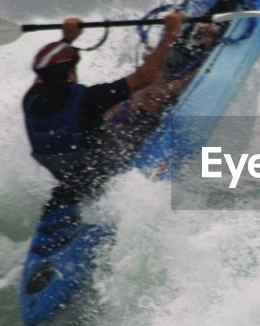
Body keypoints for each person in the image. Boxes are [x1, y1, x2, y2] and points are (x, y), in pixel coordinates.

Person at [23, 11, 191, 201]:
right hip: (108, 174)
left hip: (71, 181)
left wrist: (66, 40)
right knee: (152, 95)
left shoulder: (31, 98)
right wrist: (171, 32)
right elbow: (146, 77)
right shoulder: (88, 99)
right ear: (70, 73)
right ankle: (197, 73)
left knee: (117, 106)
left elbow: (46, 70)